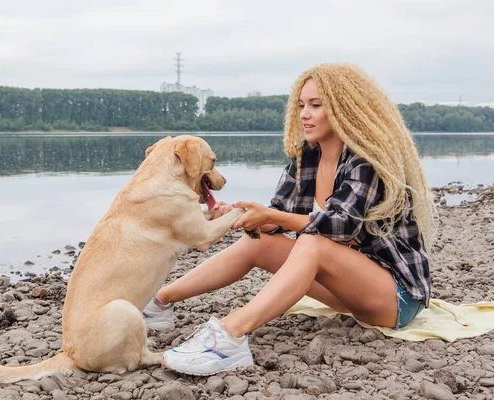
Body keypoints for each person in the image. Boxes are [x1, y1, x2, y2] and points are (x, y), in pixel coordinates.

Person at [143, 63, 437, 376]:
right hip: (347, 290)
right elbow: (278, 218)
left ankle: (230, 336)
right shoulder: (307, 155)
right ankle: (157, 303)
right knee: (261, 242)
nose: (304, 115)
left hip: (395, 297)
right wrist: (248, 215)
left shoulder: (366, 160)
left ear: (344, 109)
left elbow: (342, 227)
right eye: (300, 106)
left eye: (315, 106)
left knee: (313, 243)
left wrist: (272, 215)